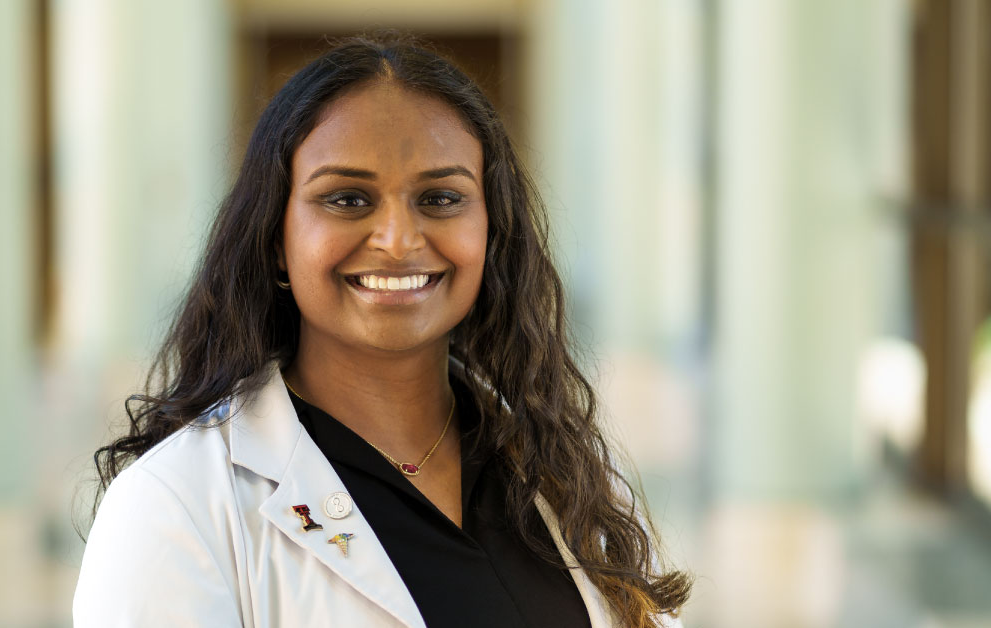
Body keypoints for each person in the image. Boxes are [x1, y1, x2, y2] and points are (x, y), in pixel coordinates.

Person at [73, 35, 691, 628]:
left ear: (492, 231)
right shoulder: (176, 506)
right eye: (346, 199)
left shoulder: (566, 472)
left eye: (441, 198)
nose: (398, 240)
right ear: (276, 239)